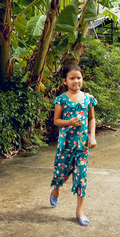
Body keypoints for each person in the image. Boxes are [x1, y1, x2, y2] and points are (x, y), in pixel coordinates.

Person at [49, 64, 97, 227]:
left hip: (82, 146)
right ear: (65, 81)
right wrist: (68, 122)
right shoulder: (61, 99)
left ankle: (79, 211)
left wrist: (92, 137)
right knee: (60, 173)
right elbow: (56, 121)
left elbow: (91, 119)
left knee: (81, 177)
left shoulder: (88, 98)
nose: (76, 81)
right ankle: (56, 189)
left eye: (79, 78)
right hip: (65, 146)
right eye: (72, 78)